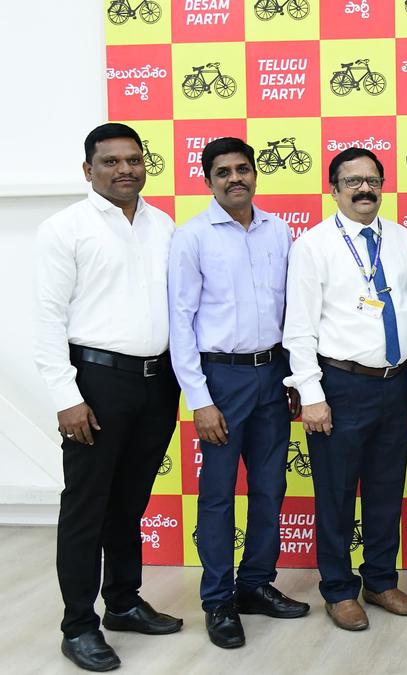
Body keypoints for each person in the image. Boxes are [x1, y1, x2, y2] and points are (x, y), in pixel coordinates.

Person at [34, 123, 182, 671]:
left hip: (156, 381)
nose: (125, 169)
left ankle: (122, 602)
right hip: (94, 383)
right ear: (88, 169)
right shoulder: (64, 229)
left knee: (130, 503)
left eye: (134, 159)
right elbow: (47, 321)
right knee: (85, 508)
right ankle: (78, 626)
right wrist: (65, 397)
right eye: (111, 161)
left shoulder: (163, 225)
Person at [282, 148, 407, 631]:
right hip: (341, 385)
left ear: (383, 184)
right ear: (334, 189)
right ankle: (339, 589)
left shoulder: (403, 238)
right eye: (352, 181)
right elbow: (299, 328)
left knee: (388, 490)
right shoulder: (313, 245)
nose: (364, 188)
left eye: (371, 179)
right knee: (336, 493)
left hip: (395, 383)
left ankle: (381, 581)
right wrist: (312, 395)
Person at [168, 137, 309, 649]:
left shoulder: (279, 231)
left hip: (273, 373)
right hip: (221, 379)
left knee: (271, 486)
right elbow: (180, 323)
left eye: (243, 169)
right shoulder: (192, 237)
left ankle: (254, 584)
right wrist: (200, 400)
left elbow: (292, 311)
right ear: (208, 180)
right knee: (219, 494)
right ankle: (218, 599)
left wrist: (294, 375)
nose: (235, 178)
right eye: (223, 171)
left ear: (255, 174)